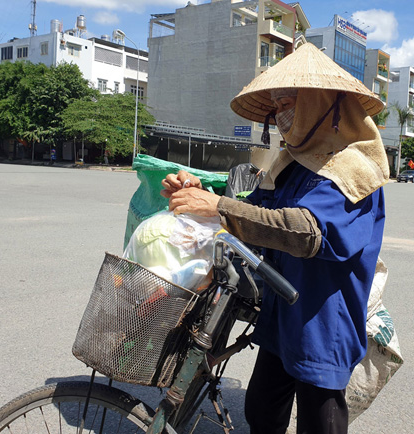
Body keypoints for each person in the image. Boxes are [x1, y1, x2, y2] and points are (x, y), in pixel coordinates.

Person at [160, 43, 389, 433]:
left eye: (289, 103)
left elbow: (306, 232)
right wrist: (200, 193)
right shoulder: (292, 164)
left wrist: (217, 207)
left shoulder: (354, 170)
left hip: (322, 325)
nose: (281, 115)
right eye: (277, 105)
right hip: (281, 313)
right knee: (262, 412)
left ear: (322, 105)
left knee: (320, 422)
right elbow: (254, 208)